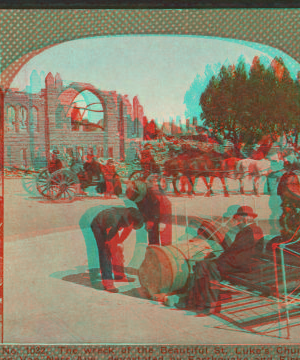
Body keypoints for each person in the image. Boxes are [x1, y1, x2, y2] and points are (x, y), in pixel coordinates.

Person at [169, 206, 264, 314]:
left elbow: (237, 252)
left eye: (238, 219)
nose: (236, 221)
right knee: (203, 265)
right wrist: (221, 254)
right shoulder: (251, 229)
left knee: (209, 267)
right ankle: (198, 303)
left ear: (245, 218)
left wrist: (219, 259)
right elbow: (236, 251)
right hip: (242, 262)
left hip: (244, 265)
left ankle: (205, 304)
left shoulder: (248, 231)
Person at [91, 207, 144, 292]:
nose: (132, 228)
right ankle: (108, 283)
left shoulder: (130, 217)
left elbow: (127, 230)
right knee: (105, 252)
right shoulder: (115, 219)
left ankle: (119, 275)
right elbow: (109, 234)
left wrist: (119, 242)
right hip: (99, 225)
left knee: (117, 251)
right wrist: (109, 243)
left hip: (112, 225)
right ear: (132, 221)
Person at [126, 180, 172, 246]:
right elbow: (137, 207)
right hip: (148, 208)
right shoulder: (130, 193)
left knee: (158, 233)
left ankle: (157, 250)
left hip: (161, 208)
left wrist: (151, 220)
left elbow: (155, 206)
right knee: (144, 231)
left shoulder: (149, 193)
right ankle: (146, 248)